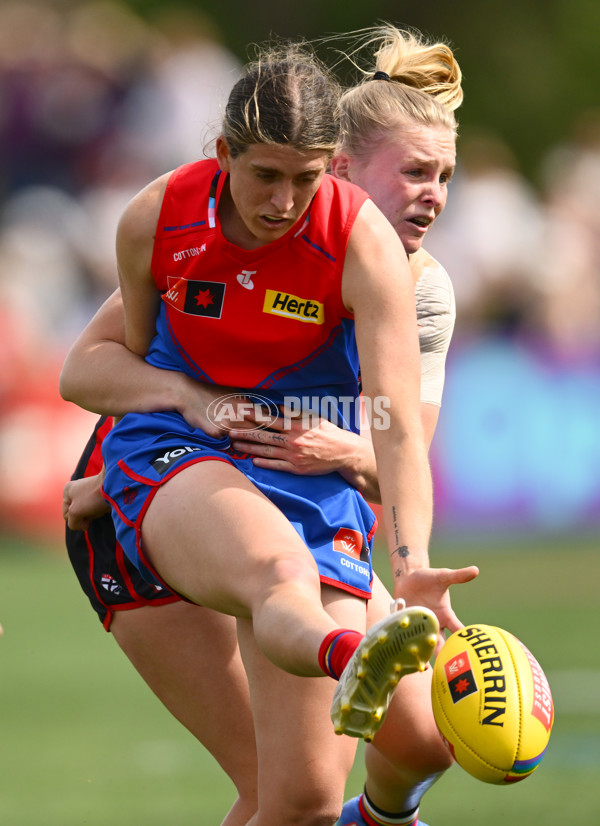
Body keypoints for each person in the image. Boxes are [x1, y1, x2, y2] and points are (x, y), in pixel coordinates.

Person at [61, 28, 476, 826]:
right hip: (176, 479)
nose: (435, 195)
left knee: (398, 754)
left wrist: (411, 559)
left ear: (329, 173)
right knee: (278, 786)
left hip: (300, 488)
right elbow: (108, 366)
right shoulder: (169, 220)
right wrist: (135, 448)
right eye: (417, 172)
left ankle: (380, 809)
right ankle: (344, 653)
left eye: (446, 176)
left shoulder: (395, 276)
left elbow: (398, 441)